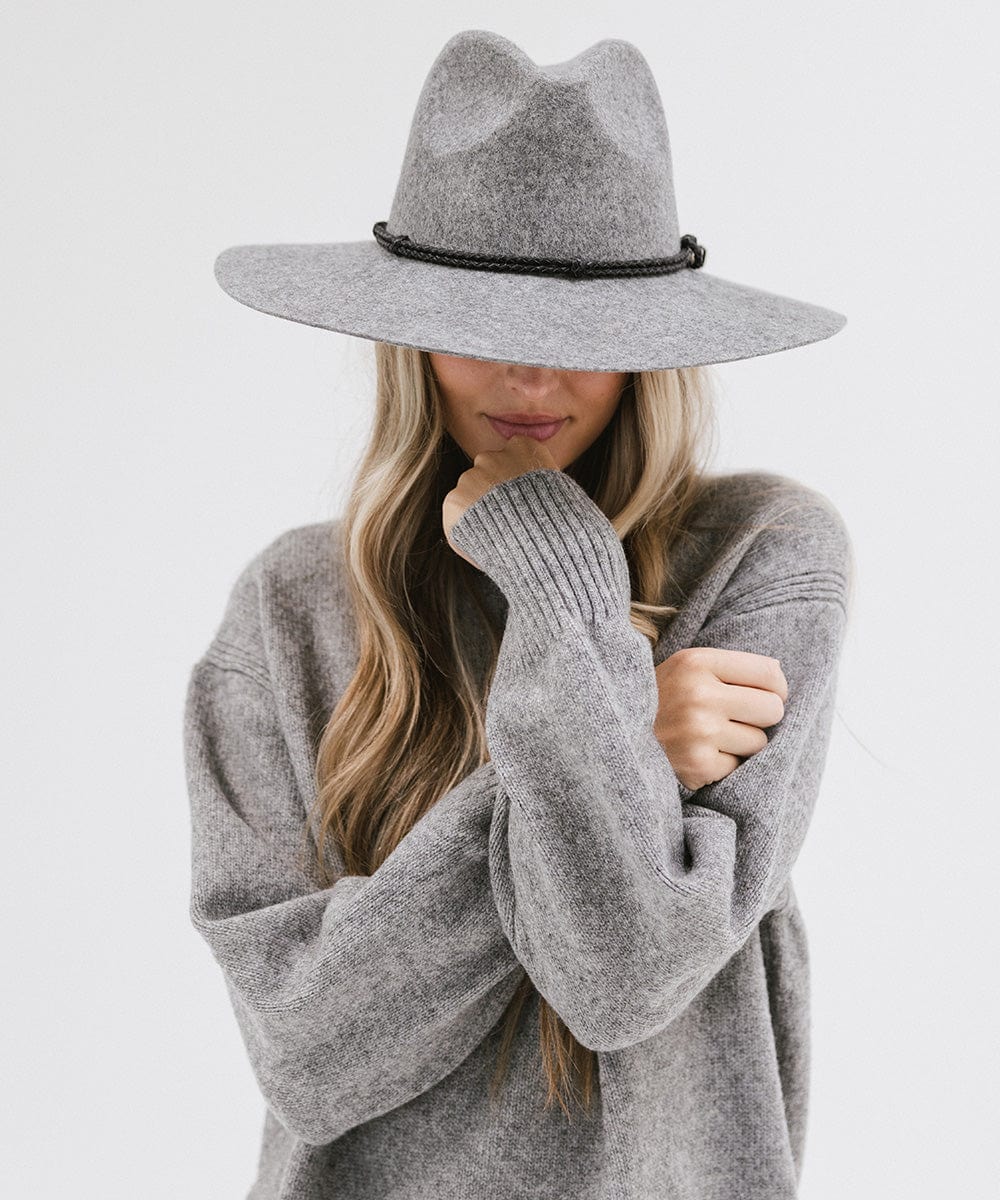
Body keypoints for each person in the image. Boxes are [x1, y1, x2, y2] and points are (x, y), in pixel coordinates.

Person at [185, 28, 854, 1200]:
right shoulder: (291, 610)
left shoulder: (762, 555)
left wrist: (562, 588)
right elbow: (304, 1052)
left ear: (653, 348)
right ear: (408, 332)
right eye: (482, 329)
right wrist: (619, 738)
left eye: (580, 340)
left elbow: (621, 971)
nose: (531, 385)